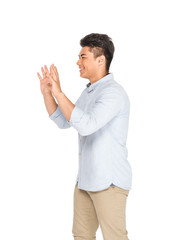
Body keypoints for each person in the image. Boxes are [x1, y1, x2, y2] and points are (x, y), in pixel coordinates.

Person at [38, 33, 131, 240]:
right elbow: (64, 121)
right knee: (81, 236)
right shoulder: (89, 92)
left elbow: (87, 126)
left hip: (109, 183)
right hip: (85, 182)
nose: (77, 62)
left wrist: (60, 93)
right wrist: (48, 94)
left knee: (115, 237)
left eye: (83, 57)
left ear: (101, 59)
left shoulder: (113, 93)